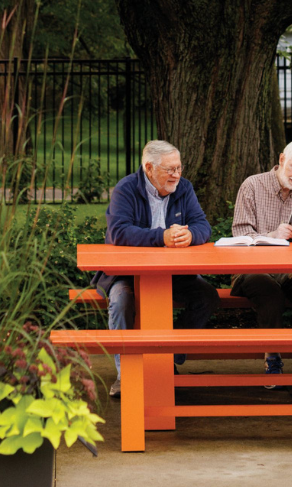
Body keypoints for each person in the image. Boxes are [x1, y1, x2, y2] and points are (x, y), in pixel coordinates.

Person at [93, 140, 221, 397]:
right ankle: (125, 373)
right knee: (120, 302)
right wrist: (161, 237)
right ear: (149, 168)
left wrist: (191, 236)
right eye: (170, 170)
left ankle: (165, 356)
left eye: (179, 168)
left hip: (173, 274)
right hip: (128, 274)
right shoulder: (126, 189)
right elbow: (118, 232)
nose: (177, 175)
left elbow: (203, 226)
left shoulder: (183, 188)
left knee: (207, 297)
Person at [231, 139, 292, 392]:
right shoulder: (252, 185)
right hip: (251, 268)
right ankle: (272, 359)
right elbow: (240, 234)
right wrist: (273, 235)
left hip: (289, 269)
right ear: (282, 159)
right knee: (269, 291)